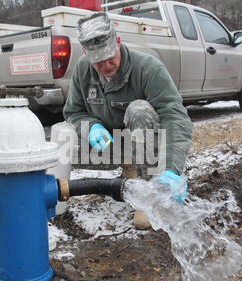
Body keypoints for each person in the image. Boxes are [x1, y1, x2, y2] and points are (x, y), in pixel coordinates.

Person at [63, 12, 193, 229]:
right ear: (86, 54)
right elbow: (73, 112)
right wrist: (92, 128)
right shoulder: (82, 69)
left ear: (118, 42)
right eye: (98, 61)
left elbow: (175, 116)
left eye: (109, 56)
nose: (106, 65)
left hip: (144, 145)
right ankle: (57, 197)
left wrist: (171, 169)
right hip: (108, 145)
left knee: (139, 110)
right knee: (62, 135)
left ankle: (152, 192)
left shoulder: (148, 68)